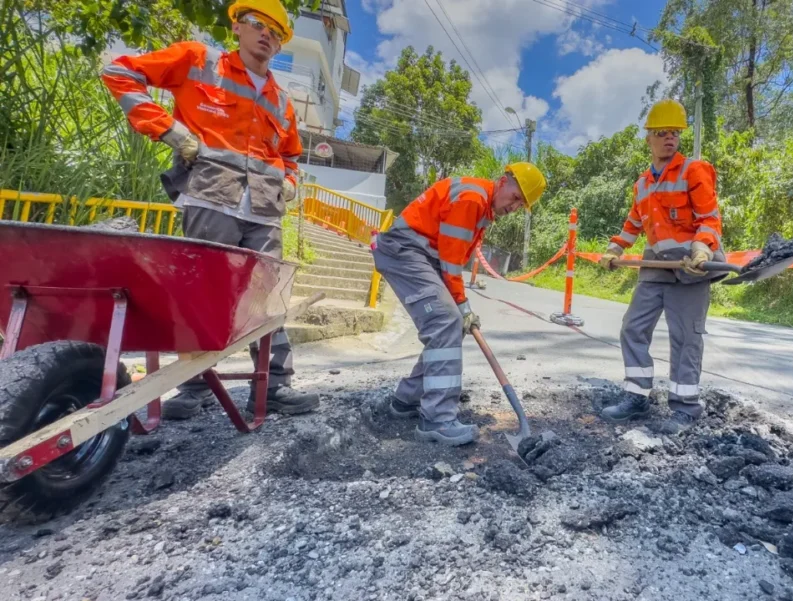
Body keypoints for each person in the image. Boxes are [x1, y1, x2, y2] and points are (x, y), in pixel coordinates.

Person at [101, 0, 319, 420]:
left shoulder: (281, 100)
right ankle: (197, 387)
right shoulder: (199, 61)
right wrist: (168, 129)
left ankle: (275, 386)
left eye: (276, 31)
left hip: (264, 209)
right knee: (205, 292)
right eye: (258, 24)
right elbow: (120, 72)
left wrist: (290, 183)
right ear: (236, 26)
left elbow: (291, 155)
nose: (267, 35)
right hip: (210, 195)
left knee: (269, 300)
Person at [373, 163, 546, 446]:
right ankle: (437, 419)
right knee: (446, 320)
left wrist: (462, 309)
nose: (514, 206)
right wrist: (463, 307)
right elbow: (452, 263)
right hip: (404, 251)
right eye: (515, 197)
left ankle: (407, 400)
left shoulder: (481, 207)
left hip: (418, 255)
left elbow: (450, 260)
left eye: (521, 205)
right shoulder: (472, 199)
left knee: (450, 323)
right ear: (502, 182)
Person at [597, 99, 724, 435]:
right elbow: (633, 223)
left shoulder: (693, 171)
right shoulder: (642, 184)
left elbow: (709, 218)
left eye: (675, 133)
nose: (670, 139)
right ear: (648, 139)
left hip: (691, 267)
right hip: (656, 265)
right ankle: (637, 396)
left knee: (685, 338)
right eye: (662, 133)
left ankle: (685, 408)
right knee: (633, 327)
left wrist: (701, 249)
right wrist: (614, 249)